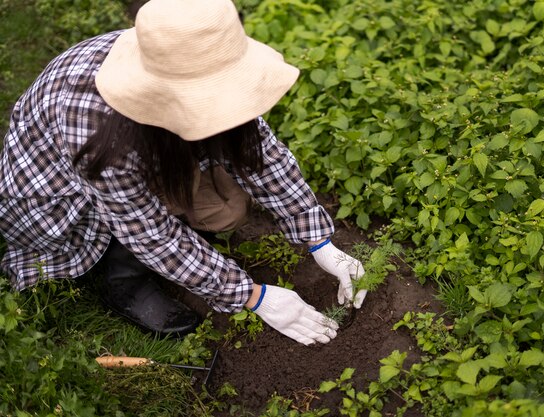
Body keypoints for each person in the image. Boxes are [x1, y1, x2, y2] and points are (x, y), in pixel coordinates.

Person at [0, 0, 367, 345]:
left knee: (226, 210)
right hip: (58, 197)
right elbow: (150, 233)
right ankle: (123, 282)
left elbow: (262, 155)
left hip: (148, 155)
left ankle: (183, 250)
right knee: (145, 232)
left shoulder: (191, 53)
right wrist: (254, 296)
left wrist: (319, 241)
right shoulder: (98, 130)